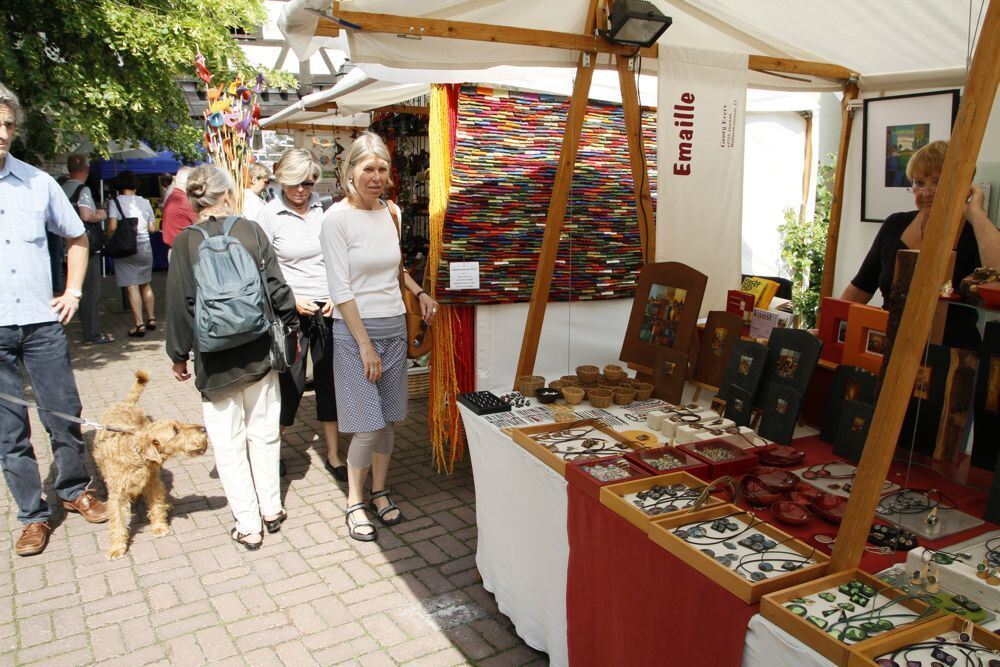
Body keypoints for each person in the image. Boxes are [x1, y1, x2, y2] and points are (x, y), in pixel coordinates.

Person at [0, 82, 109, 557]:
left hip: (41, 323)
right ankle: (32, 516)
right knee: (9, 431)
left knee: (63, 414)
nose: (3, 132)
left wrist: (73, 291)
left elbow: (77, 238)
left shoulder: (38, 183)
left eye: (7, 124)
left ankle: (74, 489)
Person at [165, 164, 298, 550]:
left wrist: (178, 355)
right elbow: (277, 287)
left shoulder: (185, 243)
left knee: (228, 442)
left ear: (193, 201)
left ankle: (248, 523)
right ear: (227, 195)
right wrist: (289, 324)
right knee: (264, 432)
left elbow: (179, 305)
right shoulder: (250, 231)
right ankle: (272, 508)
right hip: (259, 351)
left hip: (214, 358)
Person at [320, 132, 439, 541]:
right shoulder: (335, 219)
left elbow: (393, 268)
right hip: (356, 334)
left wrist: (419, 292)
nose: (375, 176)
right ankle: (355, 501)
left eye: (382, 169)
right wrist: (364, 345)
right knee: (366, 425)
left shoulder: (392, 212)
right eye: (367, 168)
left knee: (388, 421)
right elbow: (340, 289)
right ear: (350, 171)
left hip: (393, 328)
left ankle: (381, 491)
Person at [842, 140, 1000, 350]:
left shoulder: (978, 233)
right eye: (919, 183)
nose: (926, 192)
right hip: (889, 346)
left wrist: (977, 213)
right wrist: (831, 327)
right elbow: (859, 289)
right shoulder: (895, 225)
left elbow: (998, 274)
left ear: (964, 185)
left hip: (952, 358)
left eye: (937, 182)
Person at [259, 150, 344, 481]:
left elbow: (340, 256)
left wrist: (338, 294)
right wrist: (292, 299)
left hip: (328, 308)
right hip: (290, 312)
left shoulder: (326, 210)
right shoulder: (269, 215)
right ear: (282, 181)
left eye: (307, 183)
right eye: (294, 184)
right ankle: (273, 448)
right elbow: (263, 267)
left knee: (329, 382)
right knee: (289, 383)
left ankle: (334, 454)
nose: (301, 191)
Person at [62, 153, 114, 344]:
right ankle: (92, 332)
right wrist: (100, 214)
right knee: (91, 291)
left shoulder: (61, 188)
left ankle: (83, 327)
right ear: (86, 170)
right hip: (85, 247)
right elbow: (86, 215)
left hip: (65, 246)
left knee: (73, 288)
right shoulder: (83, 190)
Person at [107, 170, 157, 338]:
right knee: (146, 283)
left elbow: (113, 227)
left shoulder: (115, 202)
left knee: (131, 285)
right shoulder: (145, 202)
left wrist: (109, 239)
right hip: (145, 247)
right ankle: (151, 318)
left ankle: (139, 323)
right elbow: (152, 228)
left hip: (126, 247)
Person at [161, 166, 196, 249]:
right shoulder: (183, 200)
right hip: (183, 250)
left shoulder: (173, 196)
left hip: (174, 247)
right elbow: (202, 223)